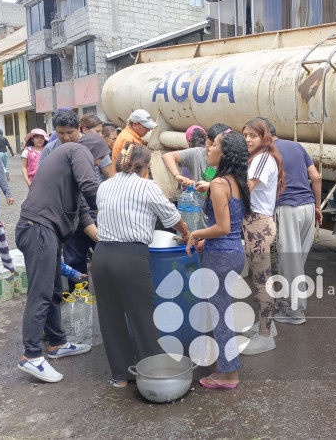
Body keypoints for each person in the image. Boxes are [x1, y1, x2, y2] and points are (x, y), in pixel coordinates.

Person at [93, 142, 189, 387]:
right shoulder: (147, 186)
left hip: (101, 256)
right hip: (130, 258)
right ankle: (153, 375)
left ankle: (120, 376)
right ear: (145, 167)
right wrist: (187, 233)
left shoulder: (104, 186)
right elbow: (172, 217)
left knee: (110, 317)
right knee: (143, 317)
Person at [14, 134, 108, 383]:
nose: (97, 165)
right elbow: (91, 186)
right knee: (41, 293)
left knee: (55, 289)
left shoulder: (68, 176)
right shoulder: (78, 150)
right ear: (92, 154)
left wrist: (109, 242)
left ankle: (57, 343)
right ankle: (31, 355)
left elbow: (85, 218)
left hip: (45, 232)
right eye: (98, 160)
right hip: (38, 230)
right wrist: (112, 207)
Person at [186, 130, 251, 388]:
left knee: (221, 315)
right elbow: (231, 226)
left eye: (213, 146)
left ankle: (228, 375)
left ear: (224, 154)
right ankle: (222, 365)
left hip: (221, 257)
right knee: (222, 312)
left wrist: (196, 234)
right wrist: (206, 240)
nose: (208, 149)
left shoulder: (219, 184)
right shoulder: (235, 181)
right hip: (231, 251)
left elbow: (222, 226)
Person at [259, 117, 323, 325]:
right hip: (307, 209)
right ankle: (286, 303)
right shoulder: (297, 146)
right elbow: (316, 177)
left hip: (288, 209)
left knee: (290, 262)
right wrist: (317, 205)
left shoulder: (266, 153)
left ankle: (296, 313)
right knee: (296, 261)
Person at [240, 118, 285, 355]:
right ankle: (269, 325)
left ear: (263, 137)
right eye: (245, 135)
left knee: (262, 281)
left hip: (259, 225)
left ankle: (265, 336)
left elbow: (247, 187)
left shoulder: (261, 158)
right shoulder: (262, 157)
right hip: (256, 223)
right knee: (261, 279)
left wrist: (215, 186)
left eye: (253, 136)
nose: (248, 139)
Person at [61, 133, 113, 283]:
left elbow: (82, 207)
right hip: (65, 218)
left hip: (82, 214)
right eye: (99, 158)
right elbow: (89, 189)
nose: (99, 164)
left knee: (103, 256)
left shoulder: (74, 164)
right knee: (73, 259)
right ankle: (77, 299)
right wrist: (102, 214)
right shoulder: (76, 166)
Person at [162, 124, 212, 190]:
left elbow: (185, 186)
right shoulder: (212, 152)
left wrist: (177, 175)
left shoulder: (190, 154)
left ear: (189, 143)